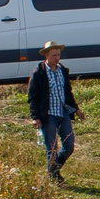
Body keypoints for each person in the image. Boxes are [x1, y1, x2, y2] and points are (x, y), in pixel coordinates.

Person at [26, 41, 79, 180]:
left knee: (69, 145)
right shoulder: (38, 73)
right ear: (46, 55)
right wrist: (35, 117)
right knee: (52, 148)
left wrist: (76, 109)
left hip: (63, 112)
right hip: (48, 115)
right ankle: (54, 176)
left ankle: (53, 170)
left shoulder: (62, 70)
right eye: (54, 55)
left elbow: (68, 93)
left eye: (58, 55)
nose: (57, 58)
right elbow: (33, 97)